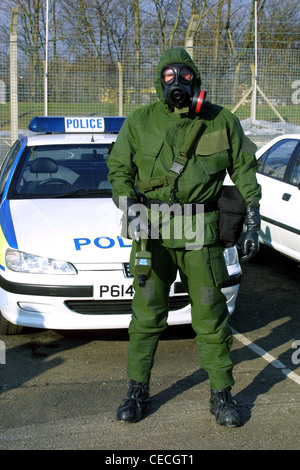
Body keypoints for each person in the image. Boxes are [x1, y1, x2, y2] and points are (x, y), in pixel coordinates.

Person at [107, 47, 261, 427]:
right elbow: (118, 168)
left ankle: (221, 393)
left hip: (199, 234)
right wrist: (128, 206)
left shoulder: (220, 120)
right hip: (151, 233)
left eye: (185, 75)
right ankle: (137, 390)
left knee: (210, 318)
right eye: (169, 76)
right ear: (159, 82)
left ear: (196, 79)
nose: (178, 83)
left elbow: (243, 167)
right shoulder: (140, 122)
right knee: (145, 319)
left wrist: (253, 213)